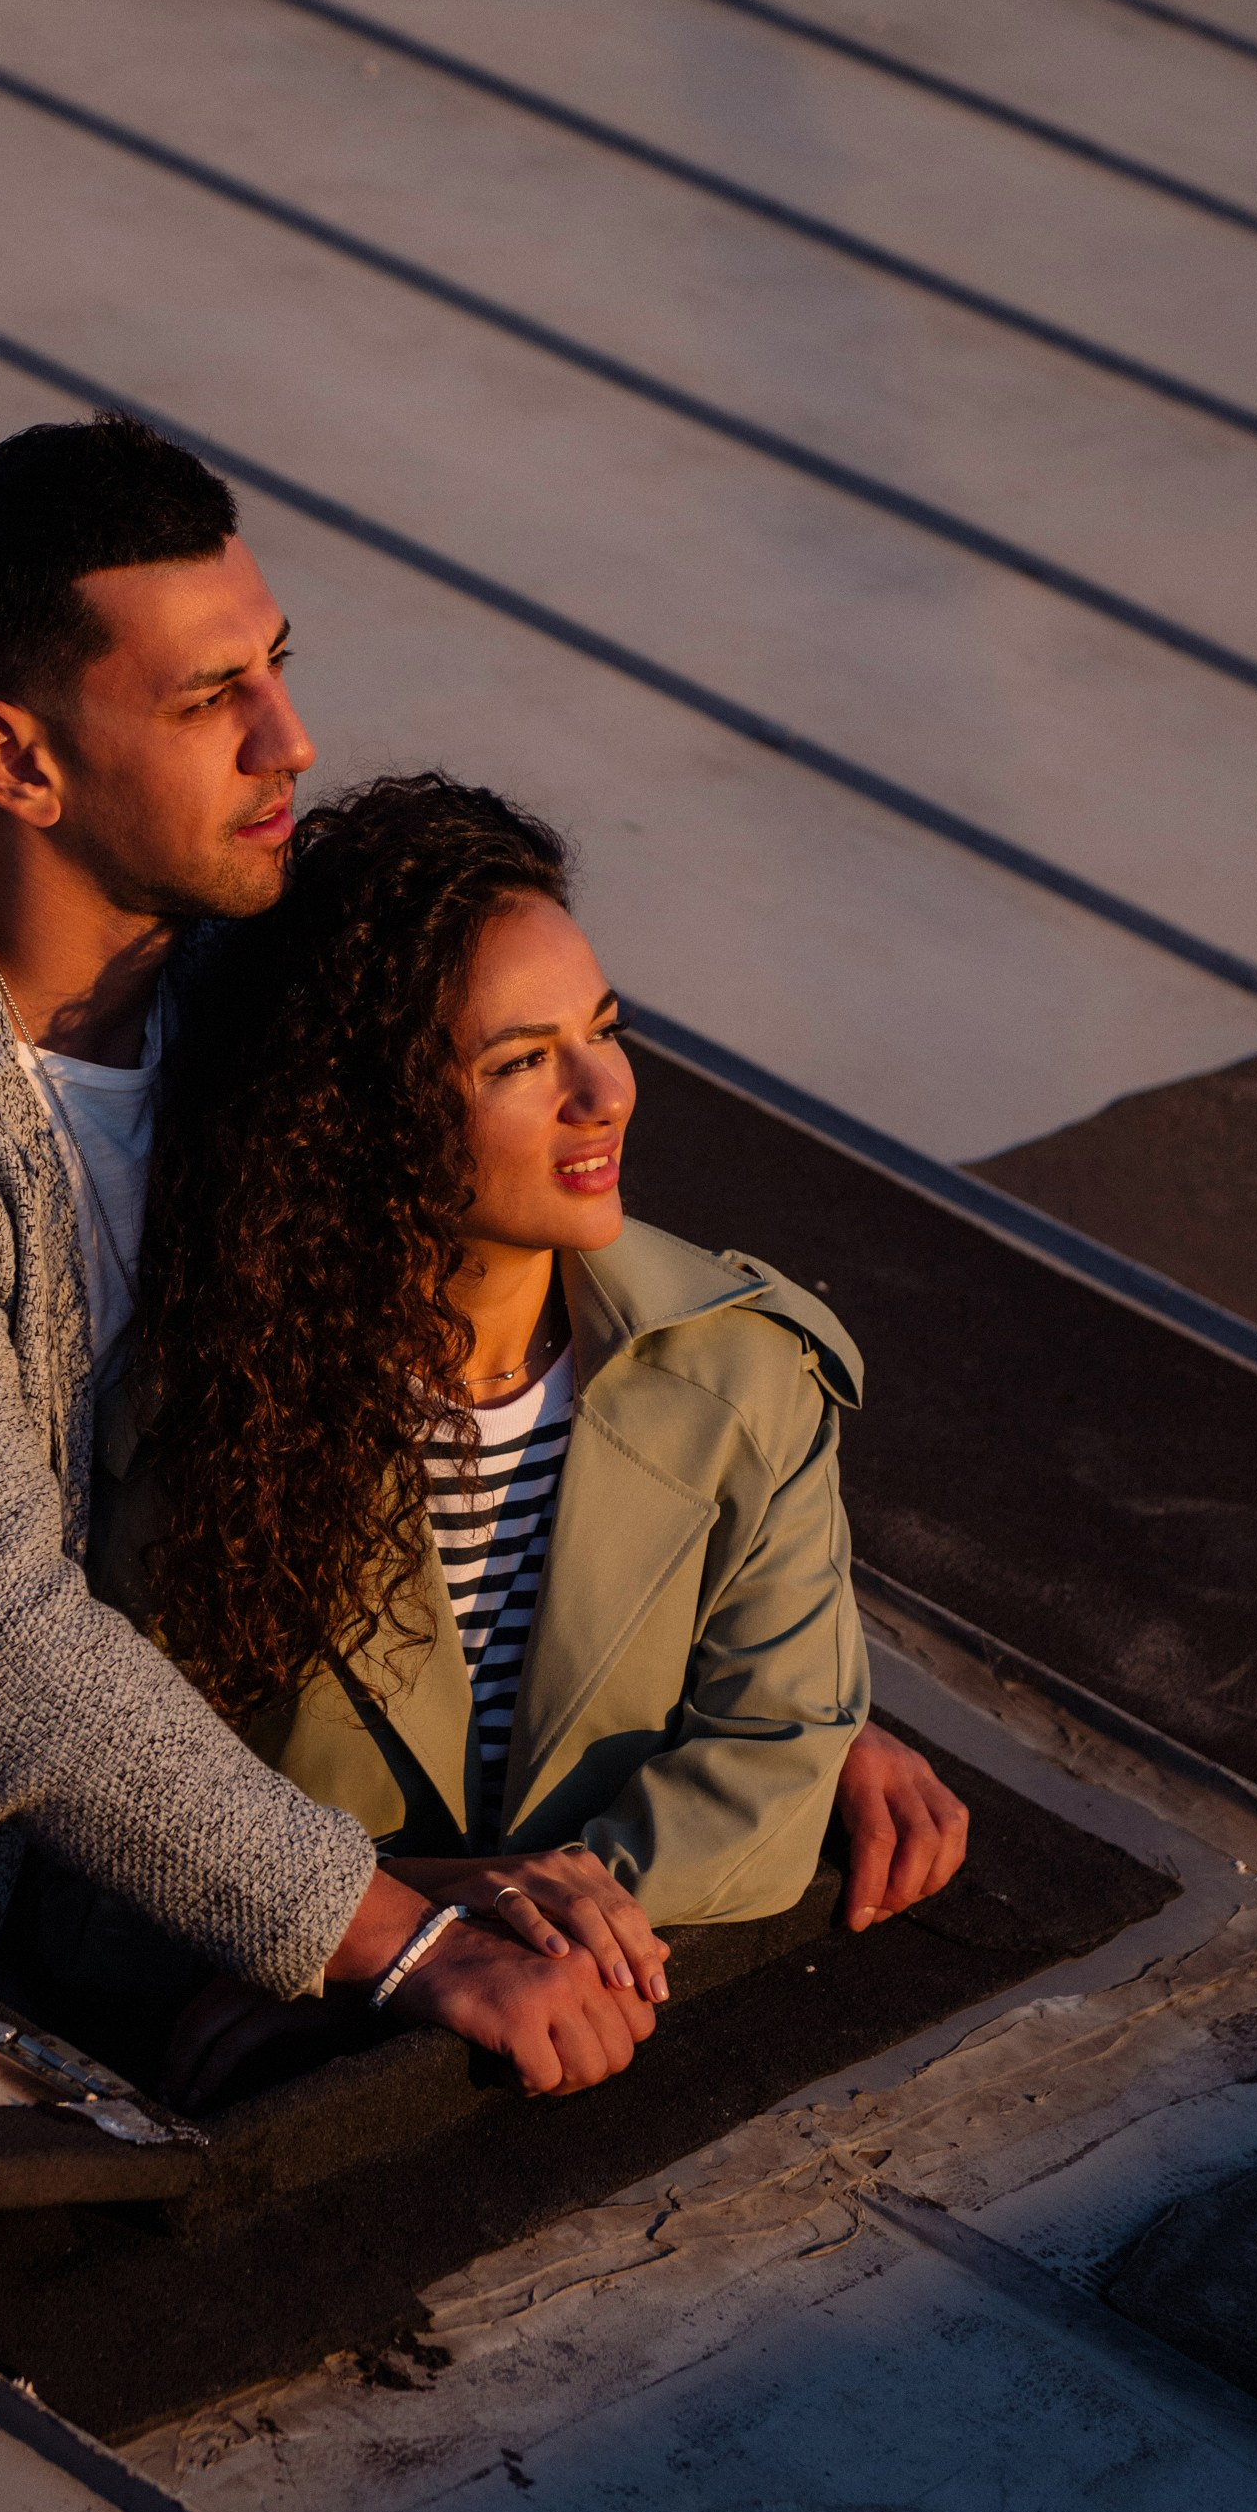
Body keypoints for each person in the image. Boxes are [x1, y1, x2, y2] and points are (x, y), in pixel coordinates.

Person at [0, 415, 962, 2104]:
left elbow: (502, 1253)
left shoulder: (238, 961)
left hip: (120, 1843)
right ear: (17, 761)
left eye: (276, 667)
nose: (288, 741)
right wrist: (391, 1936)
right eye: (208, 700)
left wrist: (771, 1718)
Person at [93, 773, 960, 2107]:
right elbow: (110, 1806)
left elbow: (780, 1745)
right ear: (358, 1121)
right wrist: (400, 1918)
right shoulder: (200, 1410)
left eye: (602, 1029)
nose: (605, 1089)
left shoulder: (744, 1368)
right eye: (520, 1060)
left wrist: (535, 1902)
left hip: (604, 2095)